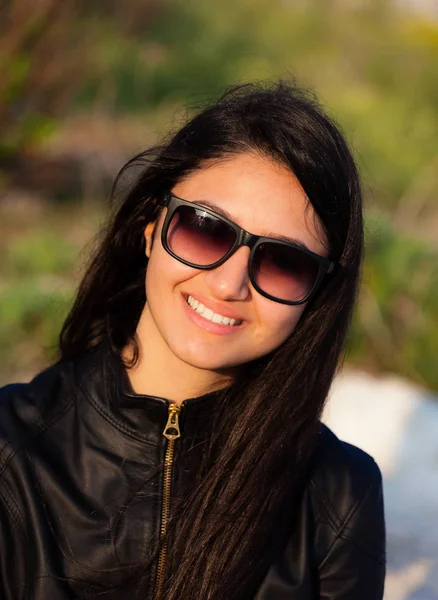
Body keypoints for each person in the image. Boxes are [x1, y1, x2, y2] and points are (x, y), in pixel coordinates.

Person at [0, 81, 385, 600]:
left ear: (318, 296)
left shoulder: (337, 497)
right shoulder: (11, 454)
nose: (229, 284)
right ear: (151, 224)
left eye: (284, 263)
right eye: (206, 228)